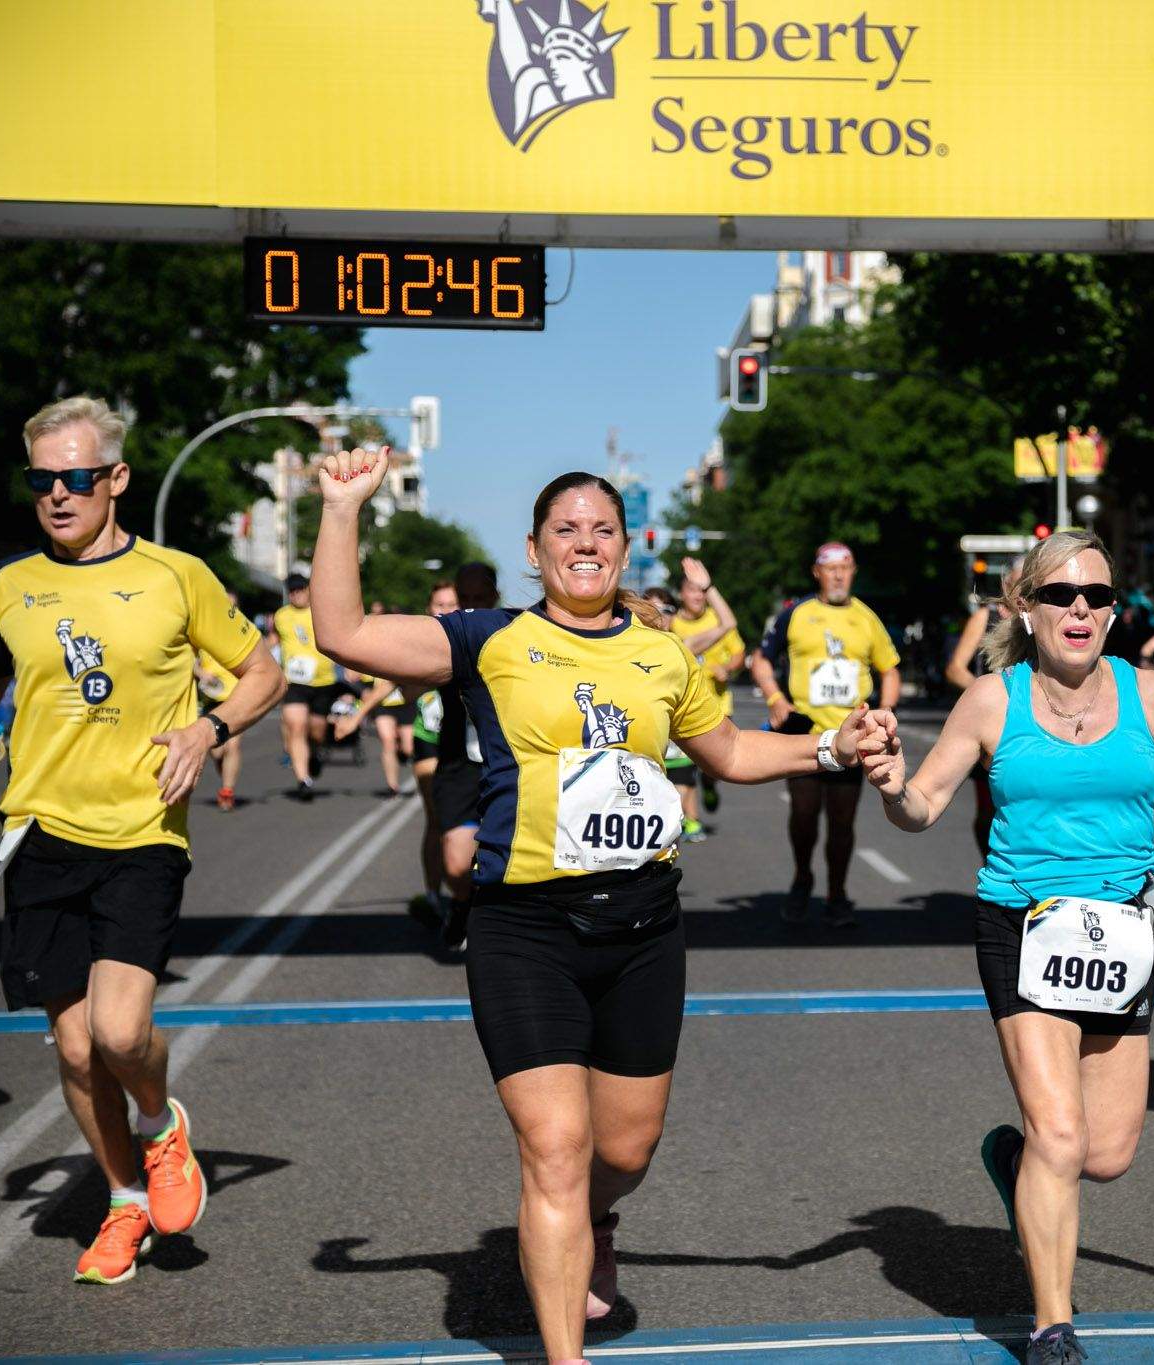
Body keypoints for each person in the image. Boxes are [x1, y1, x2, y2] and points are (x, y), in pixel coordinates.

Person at [309, 450, 892, 1365]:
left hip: (645, 927)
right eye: (566, 530)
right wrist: (342, 507)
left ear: (625, 547)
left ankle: (596, 1223)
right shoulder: (487, 639)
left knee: (623, 1150)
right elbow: (339, 632)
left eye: (603, 529)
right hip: (525, 927)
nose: (585, 543)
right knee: (555, 1145)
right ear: (535, 551)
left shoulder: (663, 653)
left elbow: (732, 752)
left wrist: (832, 747)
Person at [862, 530, 1154, 1364]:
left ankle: (1011, 1161)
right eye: (1061, 596)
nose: (1080, 609)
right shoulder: (992, 700)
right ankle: (1052, 1326)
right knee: (1058, 1131)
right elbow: (923, 805)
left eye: (1096, 596)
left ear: (1114, 610)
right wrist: (891, 782)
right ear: (1027, 607)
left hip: (1123, 930)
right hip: (1022, 923)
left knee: (1106, 1153)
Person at [0, 396, 284, 1285]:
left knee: (119, 1026)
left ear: (117, 480)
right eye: (41, 480)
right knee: (70, 1048)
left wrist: (207, 731)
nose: (58, 495)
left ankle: (157, 1123)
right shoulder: (12, 585)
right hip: (38, 830)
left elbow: (264, 670)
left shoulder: (178, 575)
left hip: (141, 831)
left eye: (76, 478)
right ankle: (123, 1203)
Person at [749, 542, 902, 928]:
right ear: (816, 573)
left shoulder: (867, 619)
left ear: (853, 572)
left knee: (842, 821)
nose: (838, 575)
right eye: (830, 568)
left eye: (845, 568)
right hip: (804, 731)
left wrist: (885, 710)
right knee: (803, 813)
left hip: (850, 736)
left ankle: (837, 892)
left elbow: (890, 669)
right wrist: (774, 697)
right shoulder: (796, 614)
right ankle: (802, 878)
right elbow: (762, 660)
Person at [430, 562, 502, 950]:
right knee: (457, 864)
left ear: (494, 596)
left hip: (505, 764)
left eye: (481, 598)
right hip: (459, 765)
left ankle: (497, 926)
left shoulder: (515, 636)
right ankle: (461, 902)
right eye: (467, 598)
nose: (474, 606)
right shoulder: (447, 639)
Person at [944, 559, 1022, 855]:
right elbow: (955, 668)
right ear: (1006, 585)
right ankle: (991, 866)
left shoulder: (1045, 619)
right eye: (1017, 583)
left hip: (1033, 721)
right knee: (990, 808)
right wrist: (986, 695)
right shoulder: (987, 617)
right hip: (993, 722)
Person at [664, 563, 744, 842]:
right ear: (682, 594)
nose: (698, 596)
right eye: (692, 590)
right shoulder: (672, 625)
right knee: (685, 768)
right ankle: (685, 821)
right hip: (685, 710)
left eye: (702, 592)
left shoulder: (714, 621)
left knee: (713, 767)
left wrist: (729, 669)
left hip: (719, 706)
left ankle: (709, 785)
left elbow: (737, 651)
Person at [405, 581, 459, 929]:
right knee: (437, 819)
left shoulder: (474, 636)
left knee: (464, 822)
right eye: (439, 604)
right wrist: (359, 714)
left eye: (451, 604)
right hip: (429, 736)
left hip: (464, 742)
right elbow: (392, 682)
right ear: (429, 608)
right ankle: (434, 893)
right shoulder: (419, 642)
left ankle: (465, 895)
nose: (445, 610)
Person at [336, 604, 415, 797]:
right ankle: (392, 785)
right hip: (382, 704)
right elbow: (356, 675)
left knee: (408, 746)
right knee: (387, 741)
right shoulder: (375, 649)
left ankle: (403, 755)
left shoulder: (408, 647)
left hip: (406, 702)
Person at [272, 573, 339, 800]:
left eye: (300, 589)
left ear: (308, 589)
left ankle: (316, 753)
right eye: (292, 591)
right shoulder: (281, 616)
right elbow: (272, 641)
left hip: (323, 681)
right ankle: (303, 780)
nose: (297, 594)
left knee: (317, 730)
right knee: (296, 726)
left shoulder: (321, 612)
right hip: (295, 681)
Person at [192, 591, 247, 811]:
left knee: (233, 745)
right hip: (211, 698)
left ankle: (227, 791)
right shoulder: (201, 631)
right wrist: (201, 673)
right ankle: (226, 778)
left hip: (236, 698)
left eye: (232, 607)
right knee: (216, 750)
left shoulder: (244, 633)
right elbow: (189, 660)